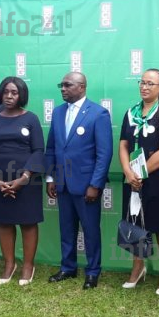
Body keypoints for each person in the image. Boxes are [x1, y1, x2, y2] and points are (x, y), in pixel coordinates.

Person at [45, 72, 113, 289]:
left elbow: (104, 154)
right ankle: (68, 267)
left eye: (68, 85)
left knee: (90, 230)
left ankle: (92, 272)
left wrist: (95, 185)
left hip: (86, 186)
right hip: (62, 183)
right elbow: (52, 148)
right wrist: (51, 177)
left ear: (82, 87)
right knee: (66, 229)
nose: (63, 89)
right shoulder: (58, 112)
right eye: (61, 85)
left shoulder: (98, 113)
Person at [119, 68, 159, 294]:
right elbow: (123, 145)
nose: (144, 87)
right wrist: (128, 172)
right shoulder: (130, 113)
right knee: (134, 224)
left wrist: (139, 174)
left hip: (158, 180)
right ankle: (138, 268)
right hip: (132, 179)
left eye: (150, 83)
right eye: (142, 82)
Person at [0, 77, 45, 286]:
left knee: (28, 222)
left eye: (14, 92)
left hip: (27, 179)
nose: (9, 96)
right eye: (6, 92)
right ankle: (9, 265)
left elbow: (38, 150)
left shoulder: (31, 118)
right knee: (4, 222)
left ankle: (28, 265)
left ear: (21, 95)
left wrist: (24, 178)